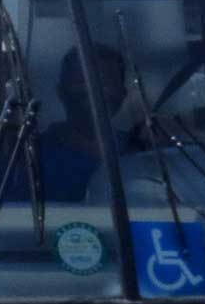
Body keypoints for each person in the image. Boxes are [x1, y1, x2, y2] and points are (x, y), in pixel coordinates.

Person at [34, 45, 132, 202]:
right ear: (61, 91)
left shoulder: (140, 150)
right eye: (82, 80)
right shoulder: (31, 156)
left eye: (107, 82)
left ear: (123, 93)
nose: (94, 90)